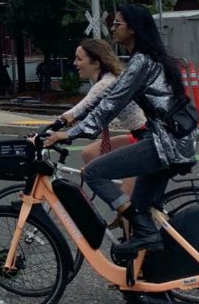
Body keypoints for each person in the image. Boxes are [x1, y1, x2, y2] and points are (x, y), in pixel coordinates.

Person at [44, 4, 197, 256]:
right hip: (172, 140)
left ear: (134, 29)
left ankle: (147, 235)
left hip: (166, 143)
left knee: (93, 172)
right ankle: (146, 278)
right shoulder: (148, 60)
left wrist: (70, 133)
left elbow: (111, 103)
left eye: (118, 24)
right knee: (140, 207)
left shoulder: (142, 63)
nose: (112, 28)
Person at [58, 39, 146, 197]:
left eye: (79, 59)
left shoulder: (105, 83)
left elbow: (76, 112)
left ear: (96, 62)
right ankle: (120, 192)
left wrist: (46, 133)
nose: (75, 63)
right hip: (138, 135)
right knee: (89, 153)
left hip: (147, 138)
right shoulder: (106, 79)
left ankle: (125, 198)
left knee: (127, 206)